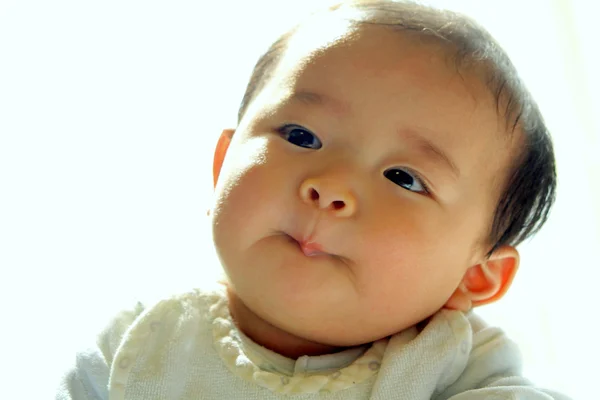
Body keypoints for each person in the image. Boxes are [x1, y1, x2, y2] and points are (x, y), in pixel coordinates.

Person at [56, 1, 571, 398]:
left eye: (403, 178)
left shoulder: (457, 370)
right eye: (301, 136)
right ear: (220, 168)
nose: (331, 187)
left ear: (473, 275)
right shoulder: (138, 348)